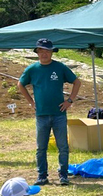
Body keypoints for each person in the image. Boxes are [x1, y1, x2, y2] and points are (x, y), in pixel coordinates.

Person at [17, 38, 81, 186]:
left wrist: (69, 101)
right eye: (41, 50)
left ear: (52, 52)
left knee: (63, 146)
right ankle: (42, 176)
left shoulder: (60, 67)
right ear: (37, 52)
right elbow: (20, 84)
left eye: (47, 51)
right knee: (41, 148)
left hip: (59, 114)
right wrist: (31, 102)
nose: (44, 53)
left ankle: (63, 175)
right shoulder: (32, 69)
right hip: (41, 115)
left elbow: (77, 82)